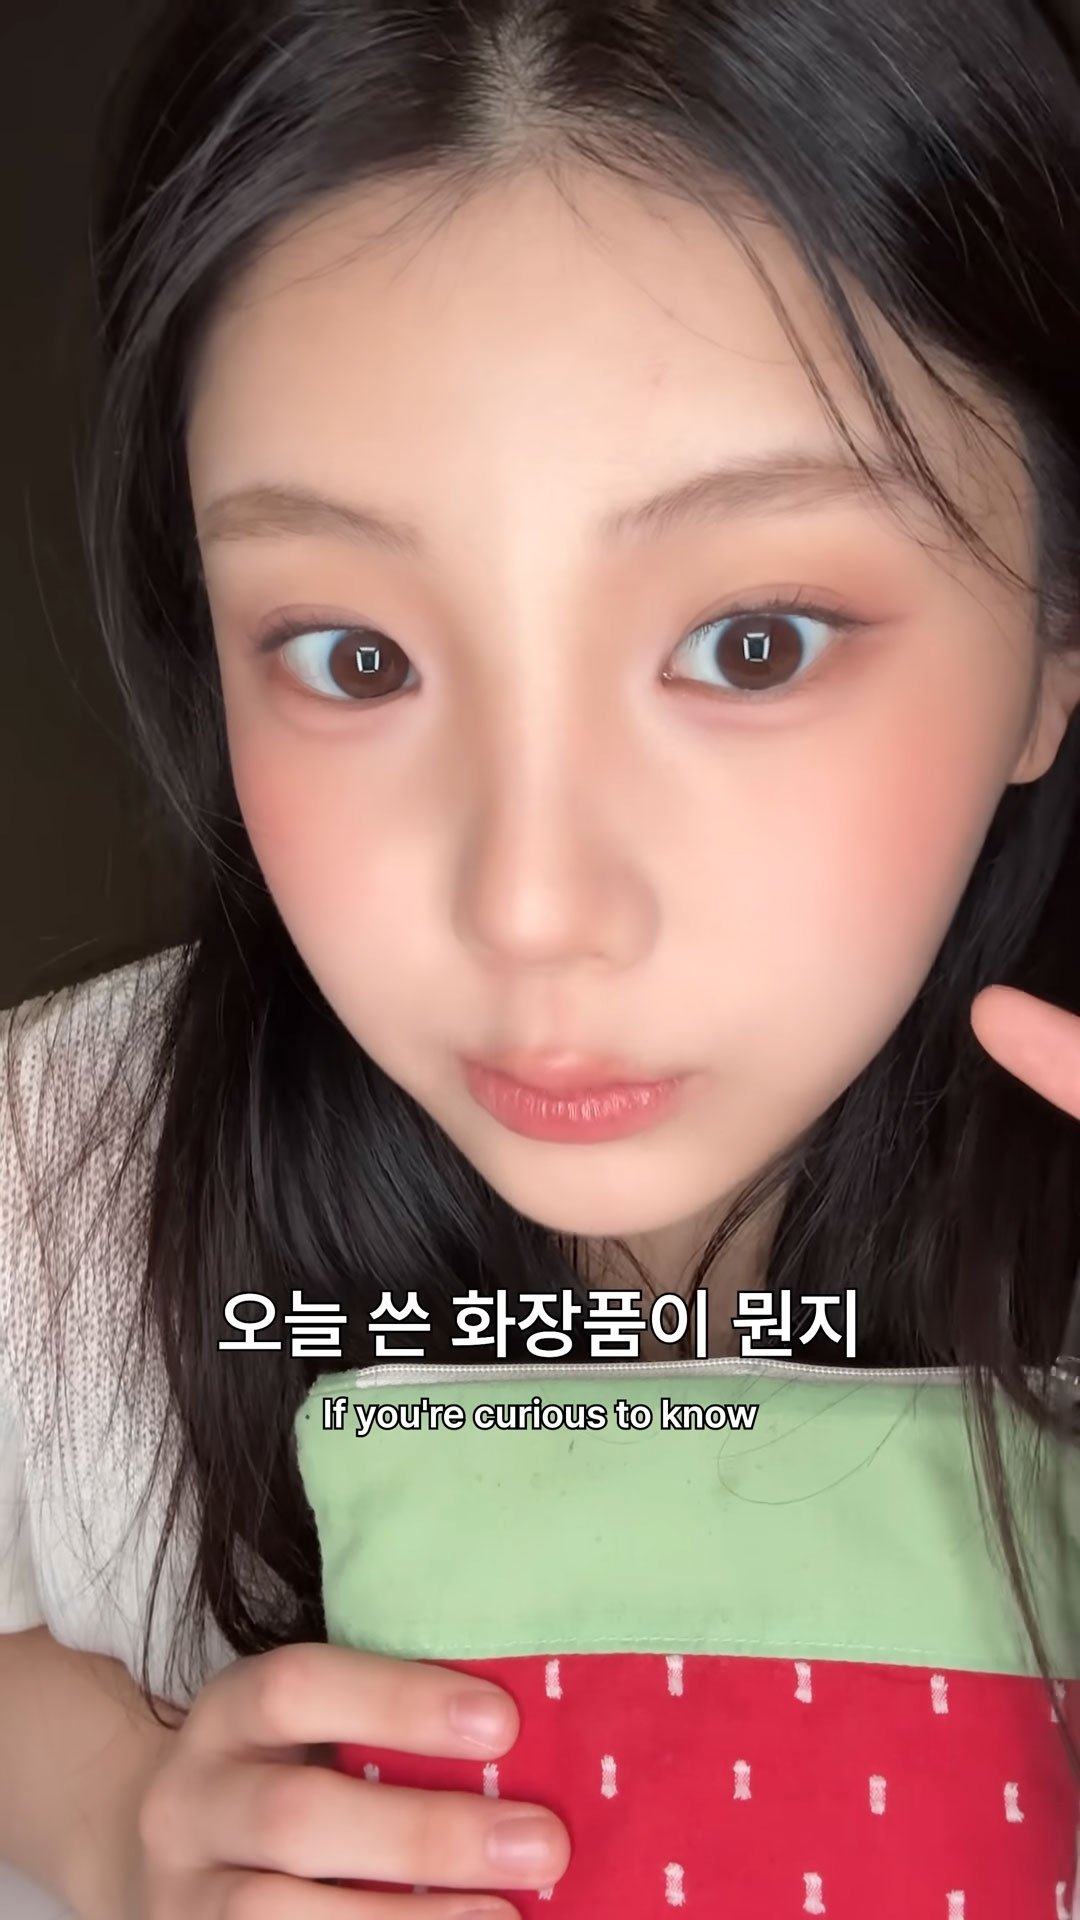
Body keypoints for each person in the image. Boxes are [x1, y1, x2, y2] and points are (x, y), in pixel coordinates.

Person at [4, 0, 1080, 1912]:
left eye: (752, 643)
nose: (526, 906)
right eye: (353, 656)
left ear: (1056, 652)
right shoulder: (47, 1186)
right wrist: (106, 1805)